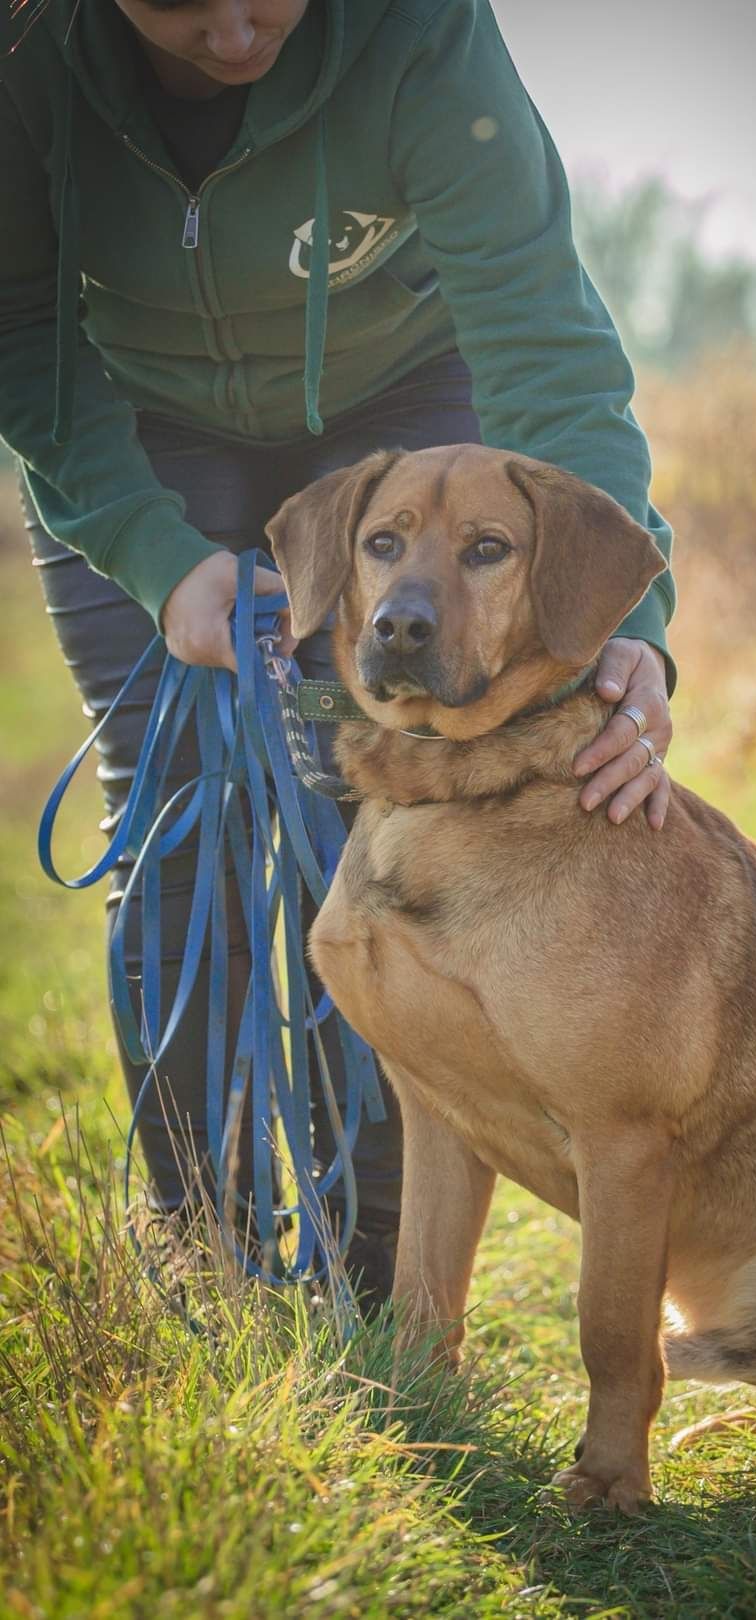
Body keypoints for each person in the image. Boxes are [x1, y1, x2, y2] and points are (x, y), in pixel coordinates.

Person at [0, 0, 676, 1302]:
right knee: (170, 817)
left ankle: (371, 1264)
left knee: (376, 814)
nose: (238, 28)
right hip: (131, 424)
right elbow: (20, 332)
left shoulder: (419, 32)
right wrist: (155, 556)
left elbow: (541, 336)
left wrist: (630, 627)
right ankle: (202, 1236)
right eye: (183, 0)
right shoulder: (26, 53)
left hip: (401, 403)